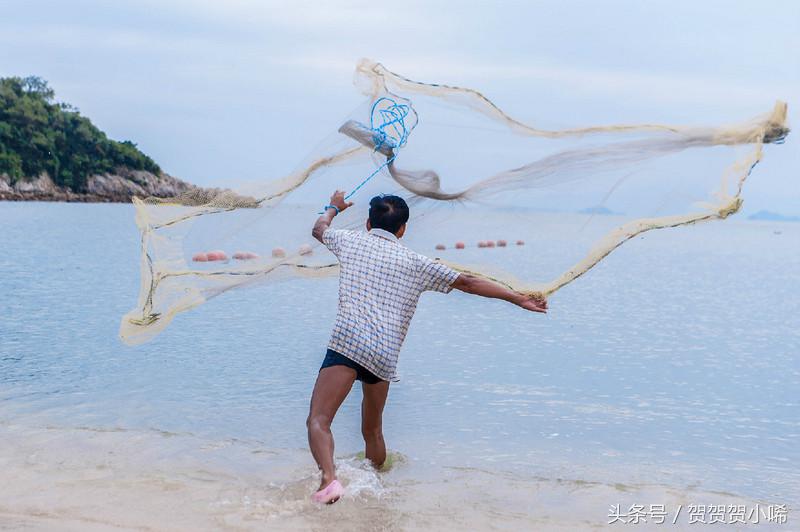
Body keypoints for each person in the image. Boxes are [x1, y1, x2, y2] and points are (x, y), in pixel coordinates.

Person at [307, 190, 547, 504]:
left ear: (368, 223)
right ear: (403, 229)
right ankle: (376, 486)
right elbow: (469, 282)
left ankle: (329, 479)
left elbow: (319, 229)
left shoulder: (350, 241)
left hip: (348, 343)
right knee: (373, 430)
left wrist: (333, 207)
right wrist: (517, 297)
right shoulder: (417, 262)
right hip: (383, 354)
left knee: (319, 420)